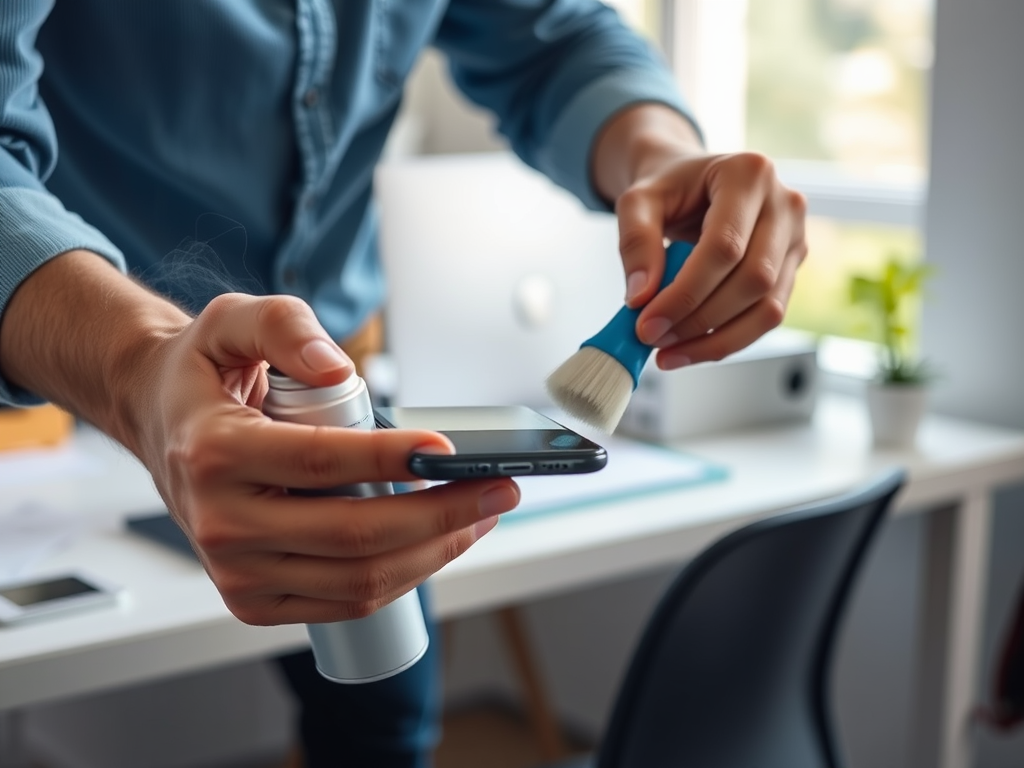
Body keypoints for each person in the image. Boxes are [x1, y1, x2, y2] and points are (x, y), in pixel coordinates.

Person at [0, 1, 807, 766]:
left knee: (384, 716)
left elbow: (554, 41)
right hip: (68, 373)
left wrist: (662, 154)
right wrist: (137, 366)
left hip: (334, 401)